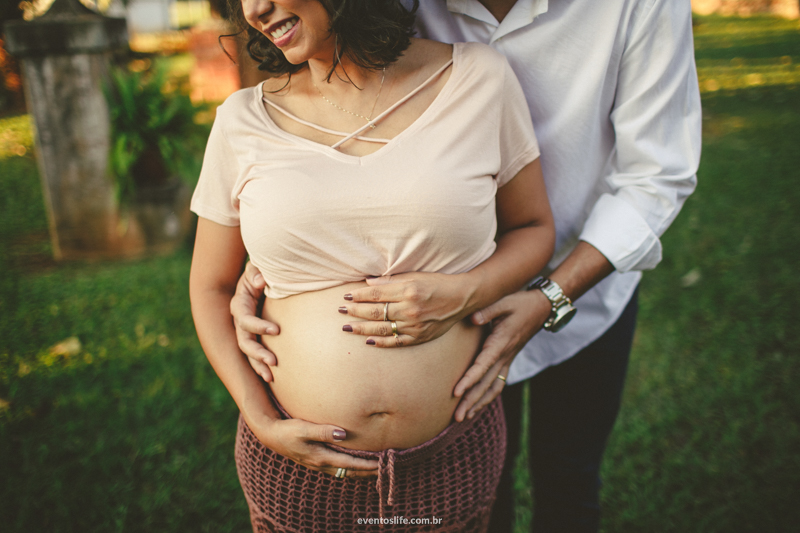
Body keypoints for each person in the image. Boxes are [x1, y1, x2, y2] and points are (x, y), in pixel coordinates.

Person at [232, 0, 703, 531]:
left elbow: (656, 177)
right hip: (447, 325)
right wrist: (273, 263)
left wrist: (549, 295)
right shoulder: (393, 7)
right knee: (482, 496)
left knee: (568, 484)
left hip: (583, 286)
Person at [189, 0, 556, 531]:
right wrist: (260, 416)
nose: (255, 9)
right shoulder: (242, 119)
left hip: (453, 457)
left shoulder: (479, 78)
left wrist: (468, 291)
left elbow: (533, 228)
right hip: (298, 469)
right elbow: (210, 285)